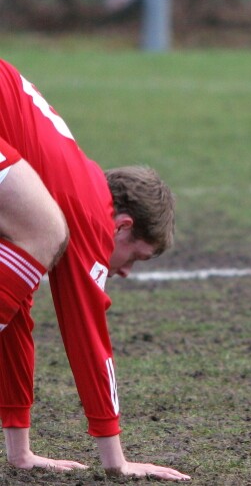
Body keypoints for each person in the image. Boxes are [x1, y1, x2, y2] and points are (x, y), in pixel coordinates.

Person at [0, 59, 190, 480]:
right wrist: (115, 460)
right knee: (48, 230)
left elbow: (13, 319)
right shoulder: (90, 213)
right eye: (136, 257)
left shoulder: (63, 189)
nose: (126, 272)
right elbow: (88, 336)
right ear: (121, 226)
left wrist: (20, 451)